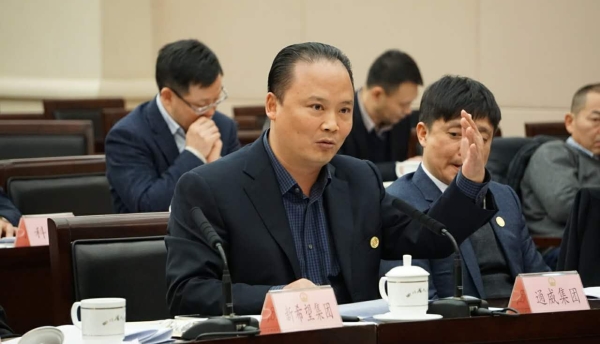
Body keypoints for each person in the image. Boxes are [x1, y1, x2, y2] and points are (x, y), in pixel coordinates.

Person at [165, 42, 499, 316]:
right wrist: (277, 297)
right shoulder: (210, 187)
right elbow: (188, 292)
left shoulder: (359, 179)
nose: (332, 124)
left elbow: (432, 238)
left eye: (344, 110)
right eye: (316, 107)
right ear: (272, 106)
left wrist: (470, 180)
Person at [385, 76, 549, 300]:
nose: (468, 150)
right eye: (455, 134)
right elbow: (417, 304)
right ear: (423, 134)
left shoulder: (504, 197)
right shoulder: (398, 203)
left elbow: (540, 282)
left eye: (481, 138)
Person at [105, 39, 240, 213]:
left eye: (216, 100)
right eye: (202, 105)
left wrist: (217, 169)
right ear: (168, 97)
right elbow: (148, 206)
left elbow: (243, 199)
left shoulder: (224, 127)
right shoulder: (126, 136)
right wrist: (194, 154)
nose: (211, 112)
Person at [521, 83, 600, 269]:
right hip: (560, 250)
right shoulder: (552, 153)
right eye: (596, 120)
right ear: (570, 122)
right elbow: (566, 206)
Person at [339, 50, 423, 181]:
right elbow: (342, 172)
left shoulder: (401, 120)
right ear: (377, 94)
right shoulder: (341, 117)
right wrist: (398, 169)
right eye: (403, 104)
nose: (408, 111)